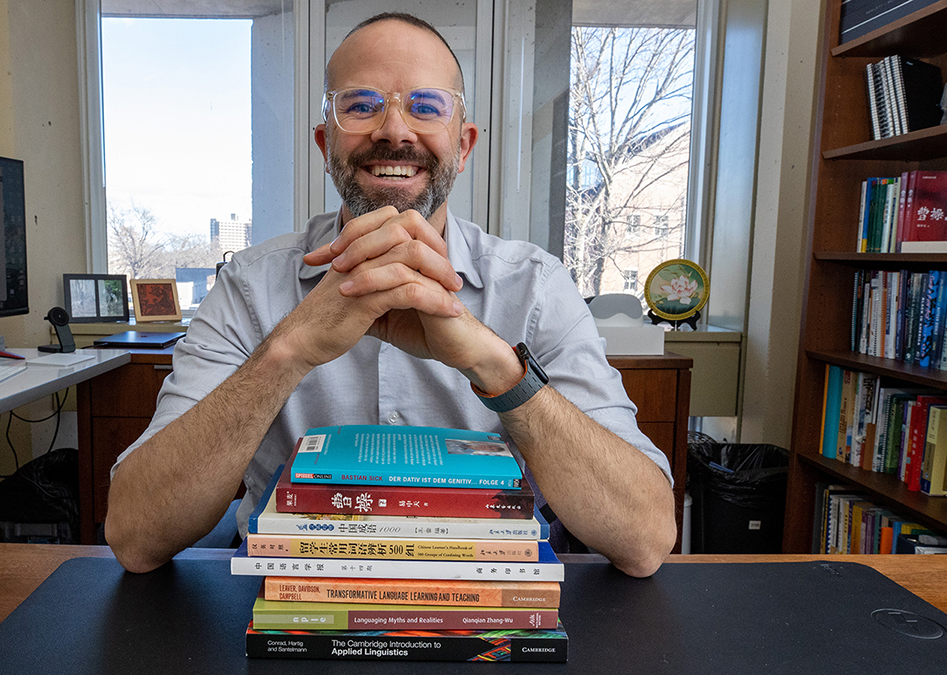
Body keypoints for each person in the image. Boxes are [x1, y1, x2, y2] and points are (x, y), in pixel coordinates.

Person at [105, 13, 676, 578]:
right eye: (361, 104)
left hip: (493, 605)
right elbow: (135, 536)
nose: (395, 130)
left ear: (464, 143)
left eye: (427, 107)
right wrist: (289, 350)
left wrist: (497, 367)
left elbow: (645, 539)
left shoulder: (535, 286)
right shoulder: (251, 285)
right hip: (285, 606)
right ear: (326, 143)